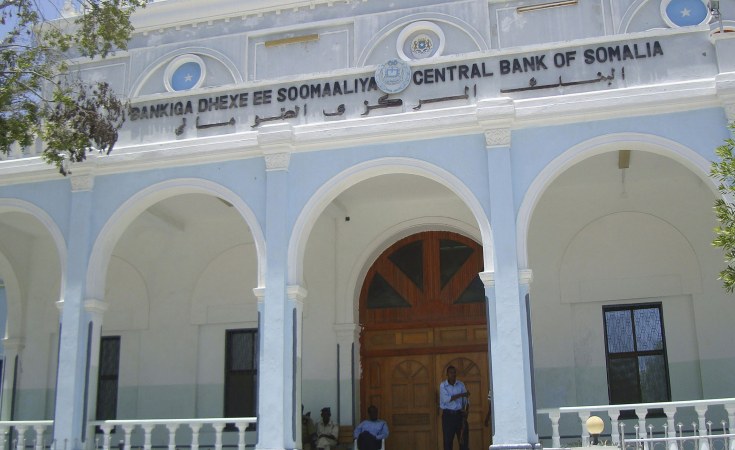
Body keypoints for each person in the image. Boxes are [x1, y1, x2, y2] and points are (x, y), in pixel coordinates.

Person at [439, 365, 469, 450]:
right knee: (448, 442)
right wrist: (462, 394)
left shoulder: (461, 384)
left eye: (454, 372)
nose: (453, 374)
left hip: (460, 415)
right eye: (451, 372)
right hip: (448, 416)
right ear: (447, 374)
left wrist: (466, 413)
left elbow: (466, 400)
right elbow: (446, 399)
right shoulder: (443, 386)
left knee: (463, 442)